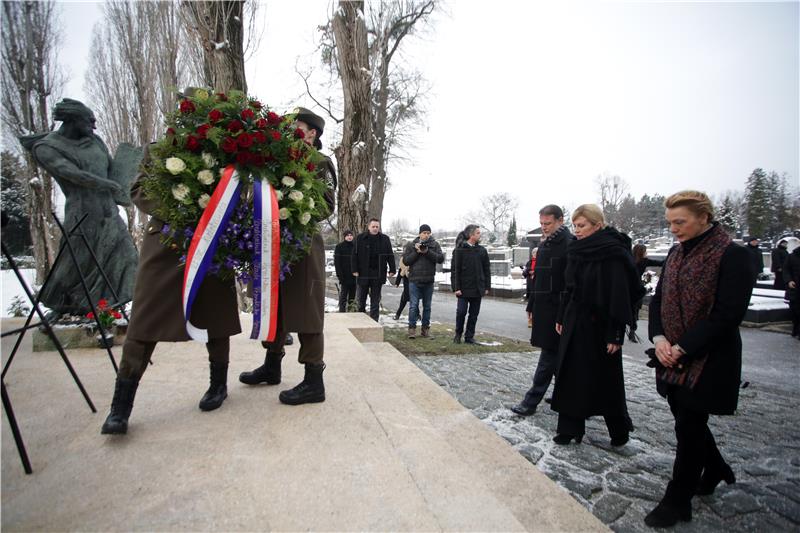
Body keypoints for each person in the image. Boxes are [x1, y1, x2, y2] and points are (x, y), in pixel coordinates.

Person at [101, 122, 241, 434]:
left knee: (216, 316)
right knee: (144, 320)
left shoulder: (221, 157)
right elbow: (138, 190)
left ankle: (218, 385)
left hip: (210, 246)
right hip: (165, 243)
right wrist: (185, 210)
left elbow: (236, 196)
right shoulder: (158, 150)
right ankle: (120, 408)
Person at [644, 191, 754, 528]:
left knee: (688, 426)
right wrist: (661, 340)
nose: (674, 229)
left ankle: (678, 499)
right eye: (670, 223)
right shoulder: (676, 253)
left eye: (681, 221)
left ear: (704, 217)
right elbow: (658, 300)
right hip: (671, 354)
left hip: (708, 358)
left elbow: (727, 314)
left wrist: (683, 348)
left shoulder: (733, 255)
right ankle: (716, 468)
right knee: (686, 419)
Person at [239, 107, 336, 406]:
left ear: (312, 133)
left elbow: (327, 205)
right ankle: (272, 365)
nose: (291, 132)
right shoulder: (276, 160)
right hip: (272, 244)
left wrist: (293, 211)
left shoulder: (320, 162)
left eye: (298, 127)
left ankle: (313, 381)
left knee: (307, 311)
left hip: (304, 245)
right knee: (274, 305)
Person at [20, 98, 138, 318]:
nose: (93, 127)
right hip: (82, 213)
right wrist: (106, 184)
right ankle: (61, 306)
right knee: (76, 262)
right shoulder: (46, 147)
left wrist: (129, 174)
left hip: (108, 211)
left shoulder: (95, 141)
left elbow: (113, 170)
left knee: (128, 258)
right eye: (89, 121)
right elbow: (70, 174)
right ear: (73, 120)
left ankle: (103, 307)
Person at [549, 204, 643, 446]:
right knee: (570, 375)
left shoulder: (612, 252)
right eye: (575, 226)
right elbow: (568, 287)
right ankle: (570, 428)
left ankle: (619, 430)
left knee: (606, 380)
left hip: (601, 325)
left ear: (597, 225)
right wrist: (561, 316)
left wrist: (615, 333)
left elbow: (619, 294)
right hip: (574, 321)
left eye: (582, 226)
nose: (577, 231)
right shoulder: (576, 250)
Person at [510, 205, 572, 416]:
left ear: (560, 220)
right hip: (544, 307)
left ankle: (531, 401)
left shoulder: (567, 244)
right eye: (542, 224)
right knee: (556, 356)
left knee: (549, 356)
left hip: (558, 310)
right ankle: (565, 393)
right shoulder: (549, 243)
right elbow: (540, 279)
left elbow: (567, 284)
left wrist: (562, 313)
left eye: (548, 223)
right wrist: (532, 304)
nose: (544, 228)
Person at [403, 224, 445, 338]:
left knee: (427, 306)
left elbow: (440, 259)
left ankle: (425, 329)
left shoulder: (434, 245)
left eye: (428, 233)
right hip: (414, 280)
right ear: (419, 233)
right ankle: (412, 329)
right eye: (424, 233)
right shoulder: (411, 245)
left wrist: (427, 252)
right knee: (413, 305)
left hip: (428, 280)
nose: (426, 235)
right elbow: (406, 261)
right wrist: (417, 251)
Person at [451, 224, 491, 344]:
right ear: (471, 235)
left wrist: (487, 286)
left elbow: (486, 269)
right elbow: (455, 270)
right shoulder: (459, 250)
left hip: (477, 288)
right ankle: (458, 334)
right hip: (463, 289)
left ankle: (469, 337)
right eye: (478, 233)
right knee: (461, 312)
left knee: (474, 314)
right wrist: (456, 287)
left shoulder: (482, 251)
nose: (480, 235)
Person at [352, 218, 396, 321]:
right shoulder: (360, 238)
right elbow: (354, 255)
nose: (375, 228)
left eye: (377, 227)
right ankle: (360, 320)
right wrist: (354, 269)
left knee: (375, 300)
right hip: (363, 273)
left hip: (378, 273)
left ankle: (374, 321)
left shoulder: (385, 239)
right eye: (373, 226)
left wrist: (392, 269)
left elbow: (390, 255)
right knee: (361, 299)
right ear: (369, 227)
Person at [629, 243, 663, 342]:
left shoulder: (629, 259)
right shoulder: (644, 261)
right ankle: (632, 330)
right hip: (637, 288)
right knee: (635, 310)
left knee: (629, 308)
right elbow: (660, 263)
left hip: (627, 288)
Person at [334, 230, 357, 312]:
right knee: (343, 296)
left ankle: (351, 311)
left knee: (352, 296)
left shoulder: (356, 246)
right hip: (344, 276)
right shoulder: (339, 247)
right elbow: (337, 262)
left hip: (354, 276)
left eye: (351, 235)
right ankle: (342, 312)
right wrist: (340, 276)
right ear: (344, 237)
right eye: (347, 235)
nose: (349, 237)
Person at [783, 244, 800, 338]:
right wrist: (789, 280)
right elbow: (786, 269)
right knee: (795, 310)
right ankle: (796, 328)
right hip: (795, 287)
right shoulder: (792, 256)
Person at [523, 248, 538, 328]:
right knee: (530, 304)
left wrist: (535, 272)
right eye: (534, 253)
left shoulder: (540, 262)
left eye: (536, 253)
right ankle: (530, 319)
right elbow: (524, 272)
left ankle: (533, 319)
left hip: (537, 286)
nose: (535, 254)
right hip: (530, 285)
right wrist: (528, 271)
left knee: (534, 304)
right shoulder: (529, 262)